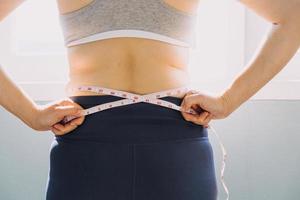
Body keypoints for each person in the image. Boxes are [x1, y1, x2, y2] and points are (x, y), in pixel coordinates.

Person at [0, 0, 299, 200]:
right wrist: (228, 101)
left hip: (93, 145)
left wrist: (30, 114)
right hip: (170, 146)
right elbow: (292, 16)